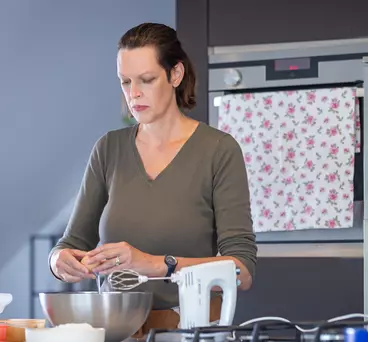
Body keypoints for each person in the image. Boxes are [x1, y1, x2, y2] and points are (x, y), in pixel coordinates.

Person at [48, 22, 257, 334]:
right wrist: (59, 261)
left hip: (192, 330)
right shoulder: (109, 148)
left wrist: (155, 263)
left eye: (146, 80)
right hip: (118, 331)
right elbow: (72, 243)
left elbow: (242, 270)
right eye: (125, 82)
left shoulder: (218, 149)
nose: (134, 94)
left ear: (175, 74)